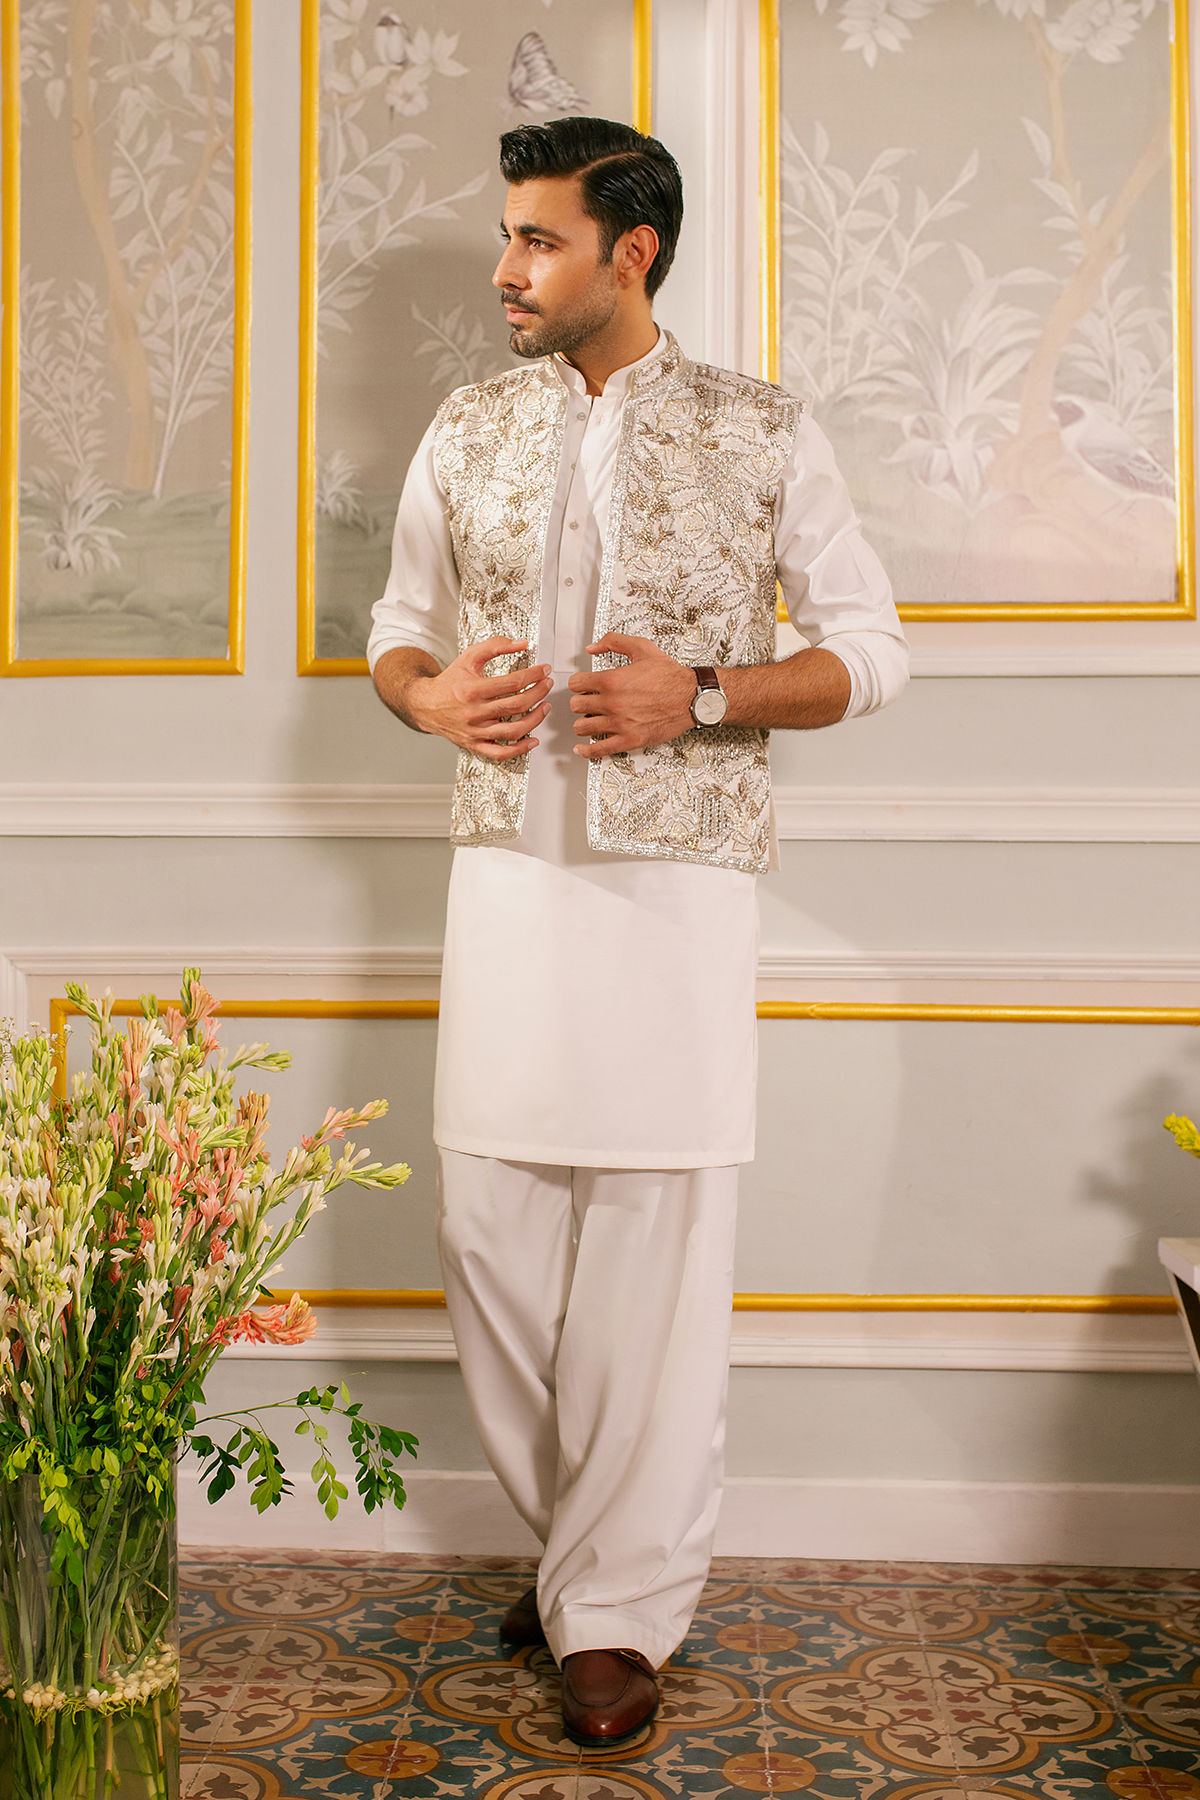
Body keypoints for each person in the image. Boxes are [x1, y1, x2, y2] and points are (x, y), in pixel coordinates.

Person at [368, 116, 908, 1749]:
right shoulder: (467, 427)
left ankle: (614, 1612)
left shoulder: (760, 427)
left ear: (633, 252)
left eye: (539, 240)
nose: (507, 268)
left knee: (656, 1269)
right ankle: (581, 1559)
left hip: (675, 898)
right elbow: (397, 632)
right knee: (489, 1240)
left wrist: (709, 693)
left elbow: (875, 650)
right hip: (506, 889)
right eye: (509, 235)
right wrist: (429, 699)